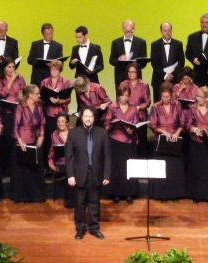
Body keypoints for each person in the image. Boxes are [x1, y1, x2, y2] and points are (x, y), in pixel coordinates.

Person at [66, 107, 111, 240]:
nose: (88, 118)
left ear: (94, 118)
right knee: (79, 203)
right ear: (81, 117)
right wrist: (70, 175)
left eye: (90, 116)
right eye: (85, 116)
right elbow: (69, 156)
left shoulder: (102, 133)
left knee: (94, 203)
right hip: (79, 174)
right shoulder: (74, 133)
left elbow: (107, 156)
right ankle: (80, 229)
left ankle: (94, 228)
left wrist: (107, 175)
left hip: (95, 173)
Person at [149, 82, 186, 200]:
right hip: (161, 140)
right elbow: (153, 125)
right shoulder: (155, 107)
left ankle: (175, 194)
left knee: (173, 168)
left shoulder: (177, 105)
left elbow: (182, 123)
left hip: (174, 140)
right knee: (161, 167)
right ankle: (160, 194)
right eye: (163, 97)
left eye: (167, 97)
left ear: (171, 96)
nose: (165, 99)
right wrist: (164, 132)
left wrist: (176, 133)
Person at [104, 84, 139, 203]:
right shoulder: (112, 107)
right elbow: (106, 125)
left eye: (126, 96)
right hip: (115, 140)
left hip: (129, 140)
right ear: (118, 96)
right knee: (116, 167)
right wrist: (113, 123)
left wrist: (132, 129)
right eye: (122, 96)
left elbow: (136, 123)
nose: (124, 98)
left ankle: (129, 193)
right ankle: (115, 193)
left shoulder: (134, 108)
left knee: (128, 167)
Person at [11, 85, 46, 203]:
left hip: (36, 140)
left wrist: (41, 137)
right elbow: (16, 126)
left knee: (36, 169)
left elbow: (42, 123)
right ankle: (22, 196)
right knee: (23, 170)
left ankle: (36, 196)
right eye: (37, 94)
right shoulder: (21, 107)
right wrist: (20, 141)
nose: (39, 96)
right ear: (30, 95)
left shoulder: (39, 106)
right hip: (23, 141)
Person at [0, 57, 27, 180]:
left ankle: (16, 168)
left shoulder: (21, 79)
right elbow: (2, 94)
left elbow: (24, 94)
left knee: (17, 138)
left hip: (18, 111)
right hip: (6, 112)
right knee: (6, 139)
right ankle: (6, 168)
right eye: (9, 67)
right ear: (4, 68)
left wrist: (21, 96)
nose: (12, 69)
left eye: (13, 67)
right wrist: (12, 80)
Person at [120, 63, 151, 157]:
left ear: (138, 73)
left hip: (140, 117)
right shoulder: (123, 84)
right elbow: (120, 100)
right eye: (129, 72)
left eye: (133, 72)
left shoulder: (144, 85)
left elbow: (148, 102)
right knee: (129, 142)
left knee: (141, 142)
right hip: (127, 117)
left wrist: (137, 108)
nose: (131, 74)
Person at [150, 22, 185, 102]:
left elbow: (181, 62)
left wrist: (172, 75)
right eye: (165, 30)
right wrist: (165, 76)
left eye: (169, 30)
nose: (167, 33)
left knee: (174, 104)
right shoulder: (154, 45)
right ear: (161, 31)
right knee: (158, 105)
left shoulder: (178, 44)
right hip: (158, 80)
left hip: (174, 80)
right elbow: (154, 63)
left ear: (171, 31)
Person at [47, 113, 75, 208]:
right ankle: (69, 201)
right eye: (59, 121)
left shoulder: (74, 132)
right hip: (61, 163)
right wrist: (51, 164)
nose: (61, 123)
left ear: (67, 122)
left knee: (72, 169)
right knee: (69, 170)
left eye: (63, 121)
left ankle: (76, 199)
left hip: (73, 162)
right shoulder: (54, 135)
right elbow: (51, 152)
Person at [109, 19, 147, 88]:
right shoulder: (115, 42)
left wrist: (135, 64)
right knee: (121, 98)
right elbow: (111, 60)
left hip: (136, 79)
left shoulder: (141, 42)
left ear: (134, 29)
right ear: (123, 29)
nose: (128, 33)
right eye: (126, 31)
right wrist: (119, 59)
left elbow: (143, 63)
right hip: (120, 78)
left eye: (130, 31)